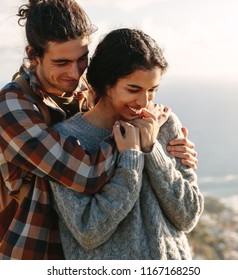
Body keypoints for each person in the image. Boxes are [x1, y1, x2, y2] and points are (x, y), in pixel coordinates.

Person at [0, 0, 198, 259]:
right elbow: (85, 175)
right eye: (62, 62)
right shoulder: (13, 104)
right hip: (37, 249)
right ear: (34, 55)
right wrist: (139, 143)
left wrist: (157, 149)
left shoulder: (81, 95)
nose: (75, 72)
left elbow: (188, 215)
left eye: (82, 60)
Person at [50, 28, 204, 259]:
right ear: (106, 84)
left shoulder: (164, 123)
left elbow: (188, 216)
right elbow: (89, 231)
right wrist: (131, 159)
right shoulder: (67, 138)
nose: (144, 101)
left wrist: (153, 150)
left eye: (152, 90)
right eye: (133, 89)